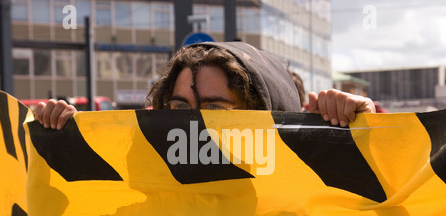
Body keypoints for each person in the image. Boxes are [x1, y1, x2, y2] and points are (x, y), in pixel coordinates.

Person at [33, 41, 375, 130]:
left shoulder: (309, 197)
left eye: (214, 108)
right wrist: (63, 143)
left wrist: (365, 134)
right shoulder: (147, 187)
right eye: (180, 108)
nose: (190, 124)